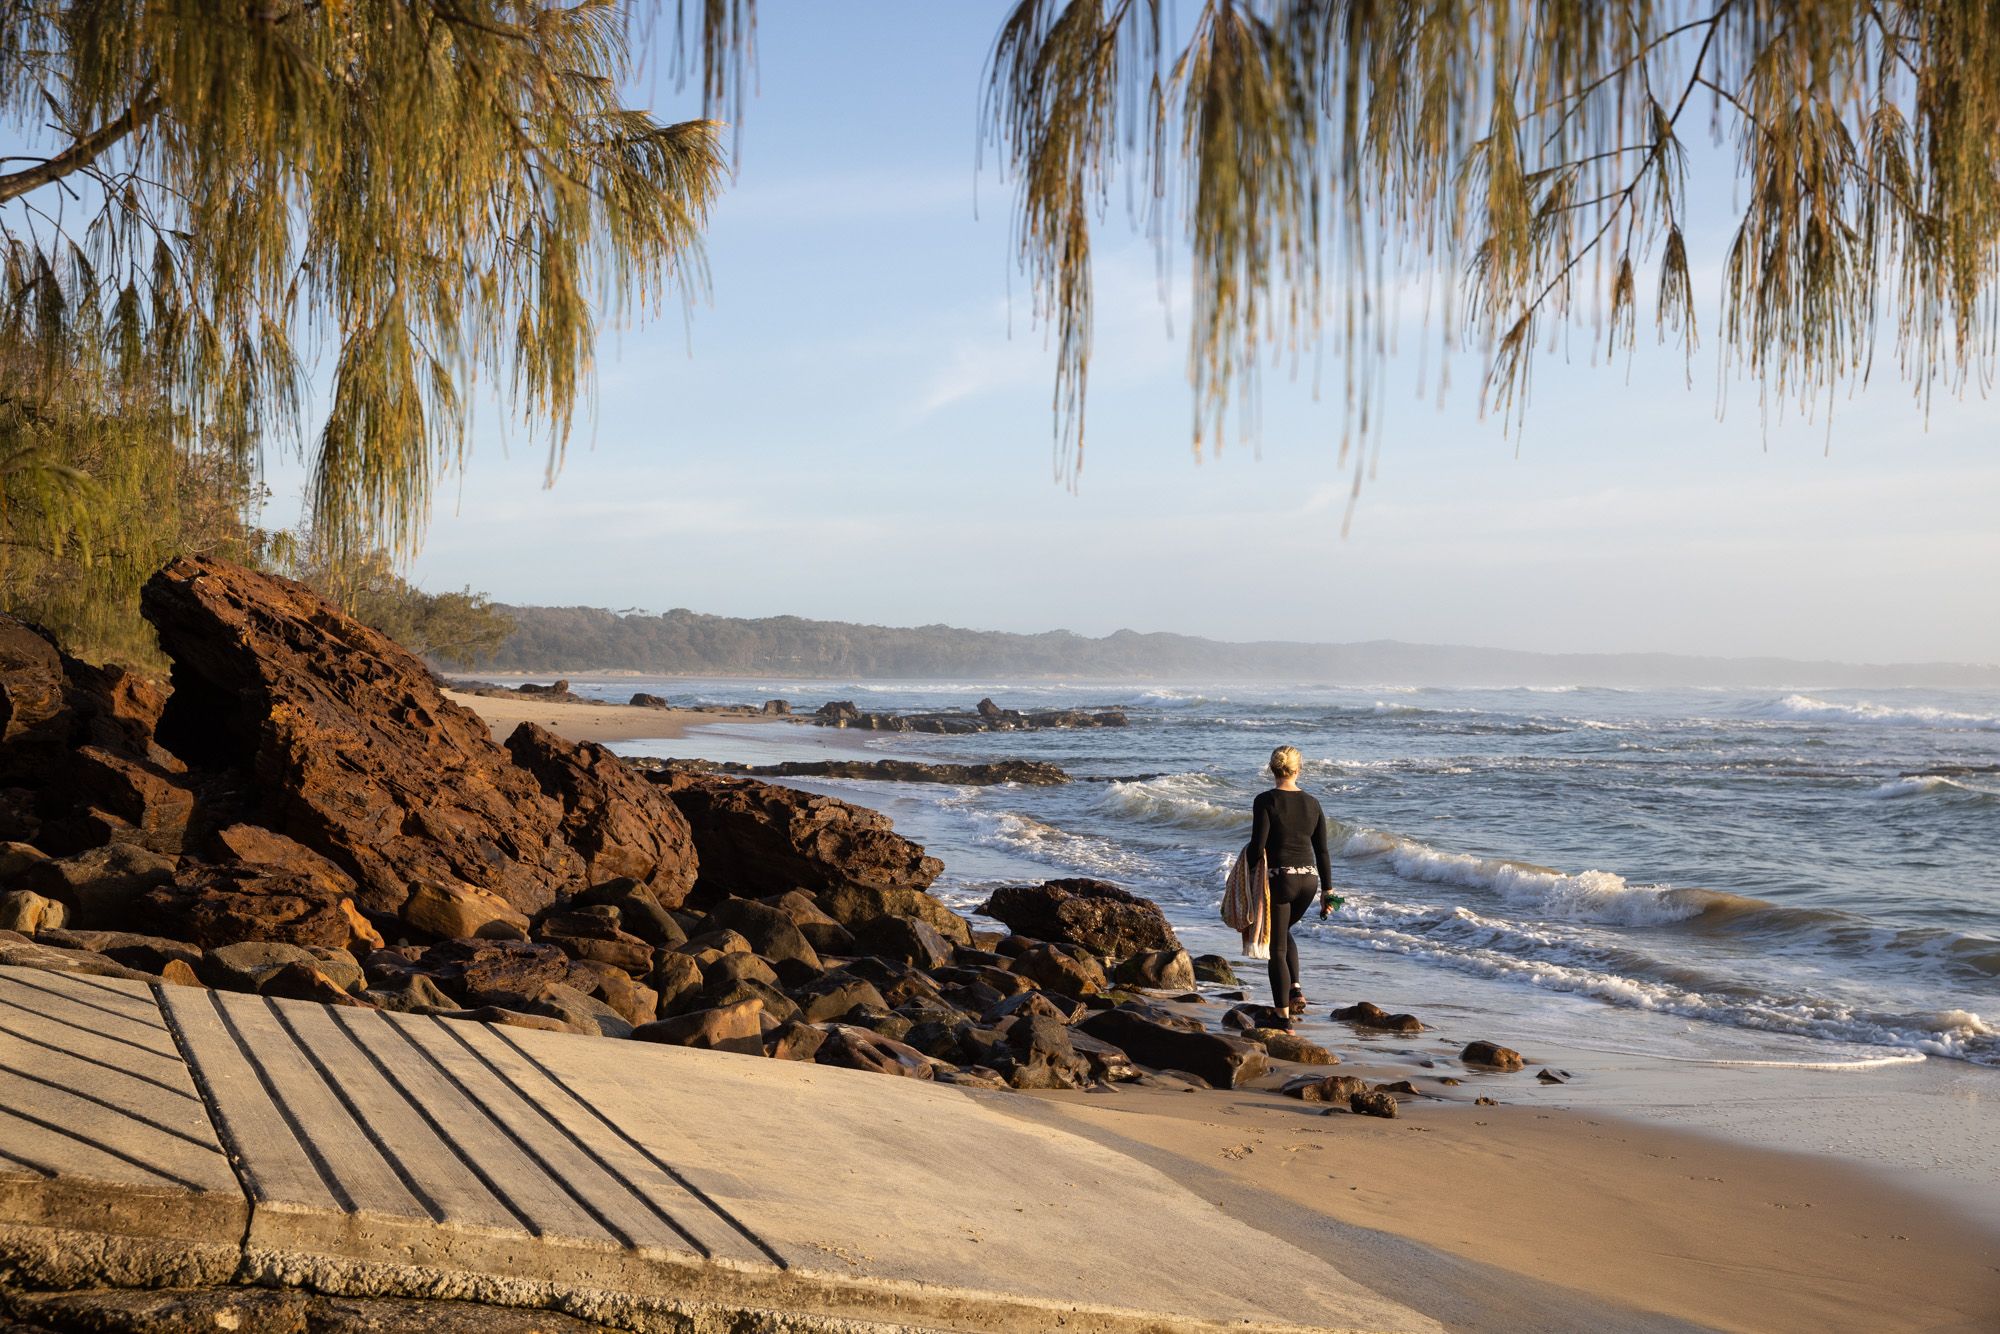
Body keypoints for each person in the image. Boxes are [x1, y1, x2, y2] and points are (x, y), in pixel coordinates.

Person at [1248, 745, 1332, 1021]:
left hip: (1280, 879)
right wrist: (1327, 892)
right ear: (1298, 769)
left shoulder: (1265, 800)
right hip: (1309, 881)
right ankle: (1295, 989)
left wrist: (1247, 876)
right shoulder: (1313, 803)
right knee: (1283, 932)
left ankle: (1283, 1018)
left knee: (1277, 946)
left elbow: (1257, 846)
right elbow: (1322, 851)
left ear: (1272, 769)